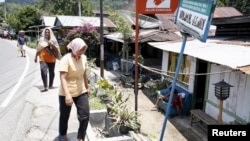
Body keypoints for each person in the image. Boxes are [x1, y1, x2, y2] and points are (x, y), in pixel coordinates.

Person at [58, 38, 90, 141]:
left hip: (81, 91)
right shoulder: (66, 59)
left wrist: (87, 87)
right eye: (80, 49)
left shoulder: (84, 58)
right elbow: (62, 78)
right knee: (64, 116)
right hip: (66, 92)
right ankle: (62, 134)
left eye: (83, 49)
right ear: (74, 48)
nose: (82, 52)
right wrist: (67, 95)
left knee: (85, 115)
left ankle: (80, 137)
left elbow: (84, 74)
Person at [34, 27, 61, 92]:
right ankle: (45, 86)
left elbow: (57, 50)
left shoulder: (53, 40)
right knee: (43, 71)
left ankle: (50, 84)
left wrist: (52, 45)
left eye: (48, 32)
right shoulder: (42, 40)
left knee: (51, 73)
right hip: (42, 58)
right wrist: (35, 57)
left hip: (51, 59)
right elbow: (38, 48)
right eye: (46, 32)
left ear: (50, 33)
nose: (47, 33)